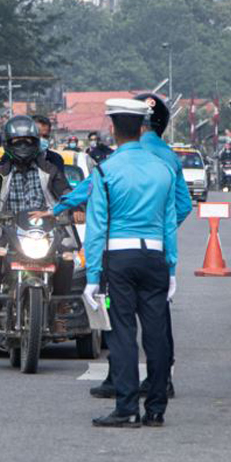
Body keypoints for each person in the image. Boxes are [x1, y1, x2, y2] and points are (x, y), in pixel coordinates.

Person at [88, 93, 192, 400]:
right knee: (156, 332)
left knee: (122, 332)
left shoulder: (106, 170)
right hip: (156, 257)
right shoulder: (164, 168)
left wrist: (93, 276)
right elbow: (171, 219)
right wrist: (171, 266)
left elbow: (96, 229)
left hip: (119, 258)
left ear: (114, 128)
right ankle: (157, 406)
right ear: (143, 127)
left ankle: (127, 406)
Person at [0, 115, 73, 319]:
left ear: (36, 143)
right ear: (8, 144)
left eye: (28, 141)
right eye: (17, 142)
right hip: (10, 227)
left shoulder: (50, 170)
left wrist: (77, 207)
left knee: (67, 255)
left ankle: (61, 305)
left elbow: (65, 191)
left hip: (46, 229)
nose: (23, 146)